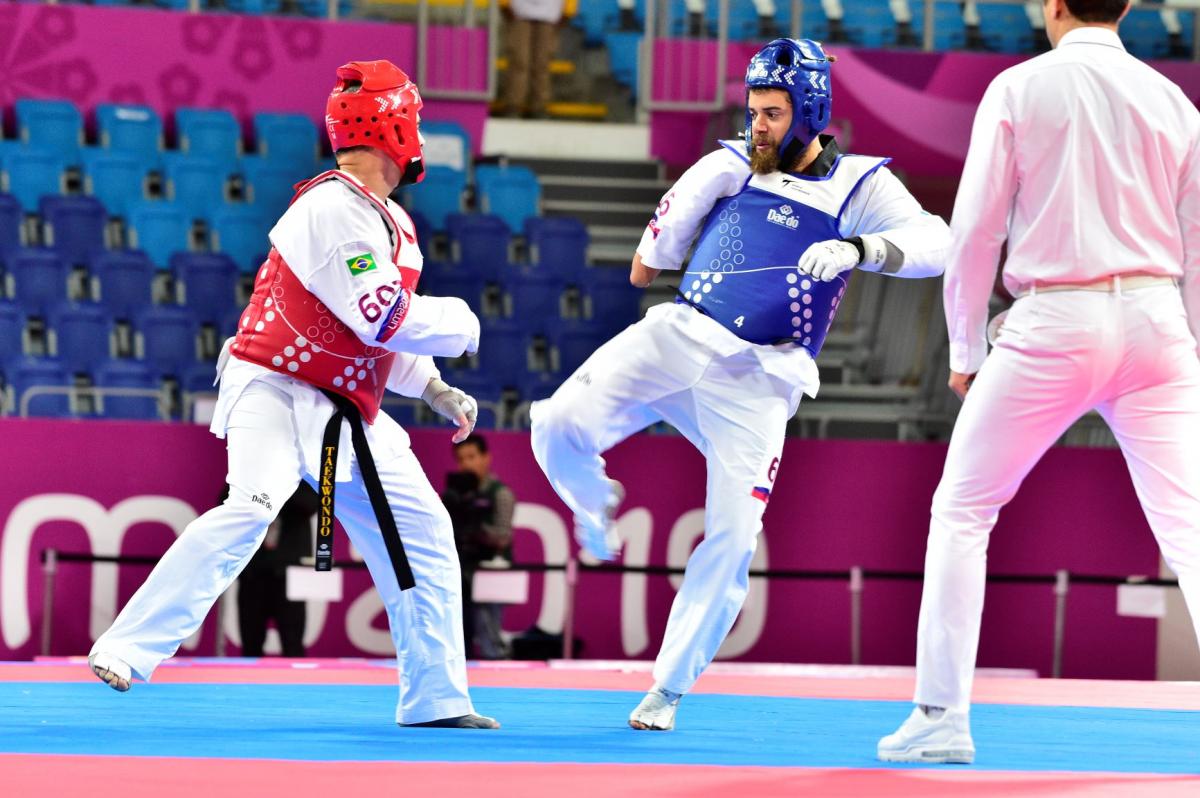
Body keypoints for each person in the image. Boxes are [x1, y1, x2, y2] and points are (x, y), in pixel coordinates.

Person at [530, 38, 950, 731]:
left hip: (759, 379)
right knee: (555, 421)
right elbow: (645, 266)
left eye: (774, 114)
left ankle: (665, 690)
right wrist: (684, 214)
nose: (757, 125)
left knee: (733, 534)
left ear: (813, 112)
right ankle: (593, 501)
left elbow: (937, 243)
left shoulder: (862, 186)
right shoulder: (729, 162)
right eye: (753, 111)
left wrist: (858, 249)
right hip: (680, 336)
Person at [87, 60, 501, 730]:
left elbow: (369, 339)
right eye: (414, 118)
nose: (419, 131)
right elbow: (383, 317)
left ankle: (436, 699)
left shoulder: (390, 221)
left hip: (345, 404)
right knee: (251, 506)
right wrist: (464, 325)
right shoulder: (330, 207)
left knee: (424, 533)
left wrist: (431, 385)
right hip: (274, 386)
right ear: (391, 125)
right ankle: (129, 648)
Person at [878, 0, 1200, 764]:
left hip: (1056, 318)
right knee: (1194, 530)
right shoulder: (1175, 101)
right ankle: (937, 718)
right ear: (1125, 8)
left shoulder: (1020, 88)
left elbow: (977, 229)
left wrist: (964, 348)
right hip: (1159, 320)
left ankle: (941, 719)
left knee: (962, 509)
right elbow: (1197, 238)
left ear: (1054, 7)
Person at [441, 433, 516, 660]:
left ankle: (497, 683)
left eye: (472, 457)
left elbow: (503, 536)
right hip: (460, 566)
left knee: (488, 633)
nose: (466, 464)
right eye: (461, 459)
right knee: (456, 630)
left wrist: (476, 528)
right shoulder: (454, 493)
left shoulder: (501, 494)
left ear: (486, 458)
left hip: (489, 571)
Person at [235, 483, 318, 658]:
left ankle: (296, 684)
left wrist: (276, 488)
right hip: (253, 572)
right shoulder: (249, 473)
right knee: (251, 643)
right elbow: (227, 506)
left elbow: (311, 504)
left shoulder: (302, 478)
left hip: (290, 574)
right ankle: (246, 684)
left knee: (293, 642)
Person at [502, 0, 565, 118]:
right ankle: (513, 105)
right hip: (519, 12)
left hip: (550, 14)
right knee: (519, 61)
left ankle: (540, 106)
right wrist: (505, 4)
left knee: (542, 64)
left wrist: (568, 11)